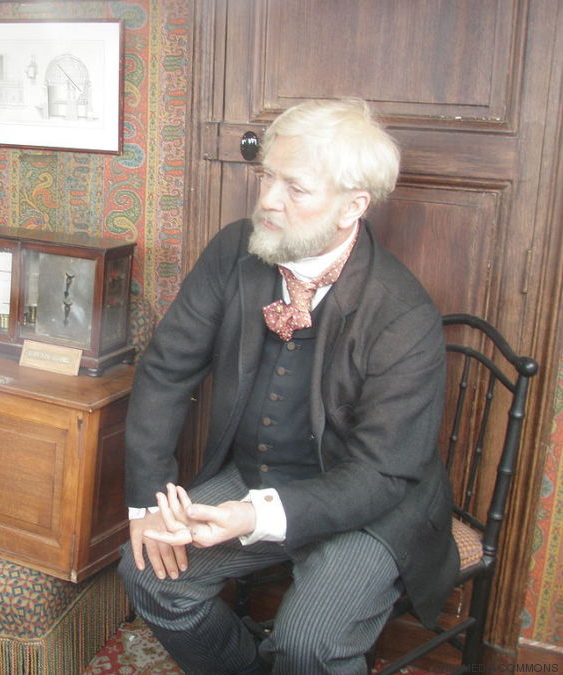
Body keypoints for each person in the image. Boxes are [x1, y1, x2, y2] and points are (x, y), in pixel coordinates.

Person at [118, 99, 458, 675]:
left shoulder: (403, 314)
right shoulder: (234, 250)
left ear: (353, 206)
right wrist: (148, 501)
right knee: (149, 574)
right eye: (267, 176)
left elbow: (381, 474)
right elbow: (165, 369)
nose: (268, 200)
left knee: (309, 644)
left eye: (295, 188)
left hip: (371, 508)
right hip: (256, 476)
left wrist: (252, 517)